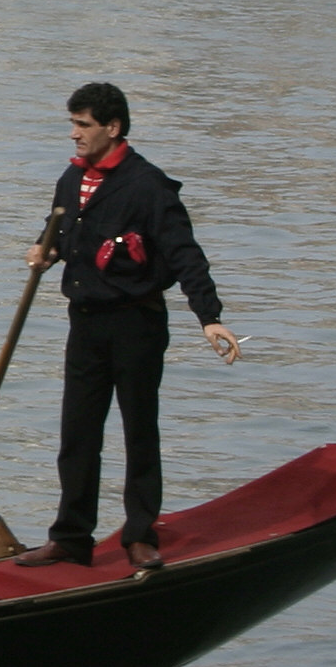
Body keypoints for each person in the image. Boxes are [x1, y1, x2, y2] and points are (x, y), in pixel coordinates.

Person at [15, 81, 239, 572]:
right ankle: (71, 537)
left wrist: (210, 317)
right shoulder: (71, 181)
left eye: (83, 125)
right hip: (86, 325)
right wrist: (45, 251)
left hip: (136, 324)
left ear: (112, 128)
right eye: (72, 124)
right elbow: (60, 231)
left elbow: (184, 255)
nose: (73, 135)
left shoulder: (148, 186)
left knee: (139, 431)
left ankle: (139, 534)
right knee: (78, 434)